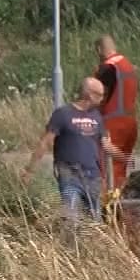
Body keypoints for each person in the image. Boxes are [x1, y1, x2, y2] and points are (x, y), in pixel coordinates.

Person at [33, 77, 119, 223]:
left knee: (94, 221)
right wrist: (30, 169)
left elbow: (105, 145)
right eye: (100, 95)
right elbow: (46, 142)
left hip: (93, 176)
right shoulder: (63, 114)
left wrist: (125, 157)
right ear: (90, 95)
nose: (102, 99)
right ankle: (70, 245)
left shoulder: (97, 117)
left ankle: (90, 245)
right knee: (71, 219)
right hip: (69, 174)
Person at [92, 34, 140, 190]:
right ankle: (121, 205)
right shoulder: (127, 65)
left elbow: (94, 93)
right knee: (120, 168)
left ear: (99, 49)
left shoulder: (107, 68)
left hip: (113, 124)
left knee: (105, 168)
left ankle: (108, 209)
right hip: (130, 124)